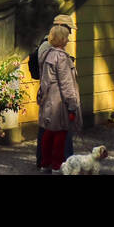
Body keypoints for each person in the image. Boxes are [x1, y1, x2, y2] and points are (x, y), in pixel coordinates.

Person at [37, 22, 82, 172]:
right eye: (67, 37)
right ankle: (57, 166)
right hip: (60, 102)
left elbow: (45, 80)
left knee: (48, 133)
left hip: (48, 100)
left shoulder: (46, 54)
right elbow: (66, 84)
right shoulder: (61, 57)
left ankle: (45, 163)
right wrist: (72, 105)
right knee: (60, 135)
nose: (68, 40)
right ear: (62, 39)